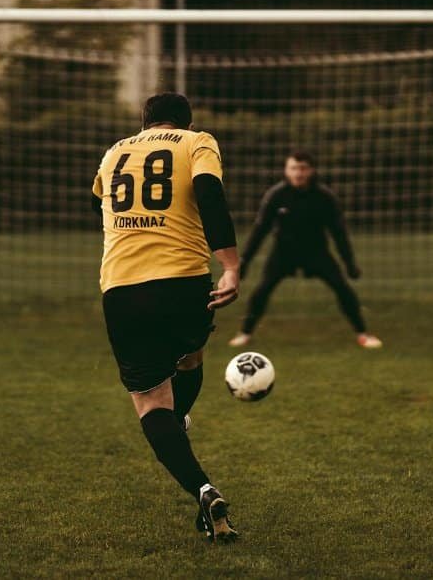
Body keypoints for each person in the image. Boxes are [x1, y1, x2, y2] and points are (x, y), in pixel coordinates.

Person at [91, 92, 241, 543]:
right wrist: (231, 265)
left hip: (122, 287)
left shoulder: (115, 152)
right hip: (183, 280)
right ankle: (176, 427)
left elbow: (100, 200)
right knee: (190, 357)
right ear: (185, 122)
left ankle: (203, 488)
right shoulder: (196, 142)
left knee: (151, 403)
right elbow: (209, 193)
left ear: (144, 122)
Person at [228, 151, 383, 349]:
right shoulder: (276, 195)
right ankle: (245, 333)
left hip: (317, 253)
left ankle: (363, 334)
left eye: (303, 168)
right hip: (283, 253)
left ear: (311, 170)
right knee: (262, 290)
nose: (298, 173)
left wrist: (349, 263)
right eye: (293, 168)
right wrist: (245, 262)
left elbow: (339, 233)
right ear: (286, 170)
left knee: (342, 288)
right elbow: (260, 230)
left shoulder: (325, 197)